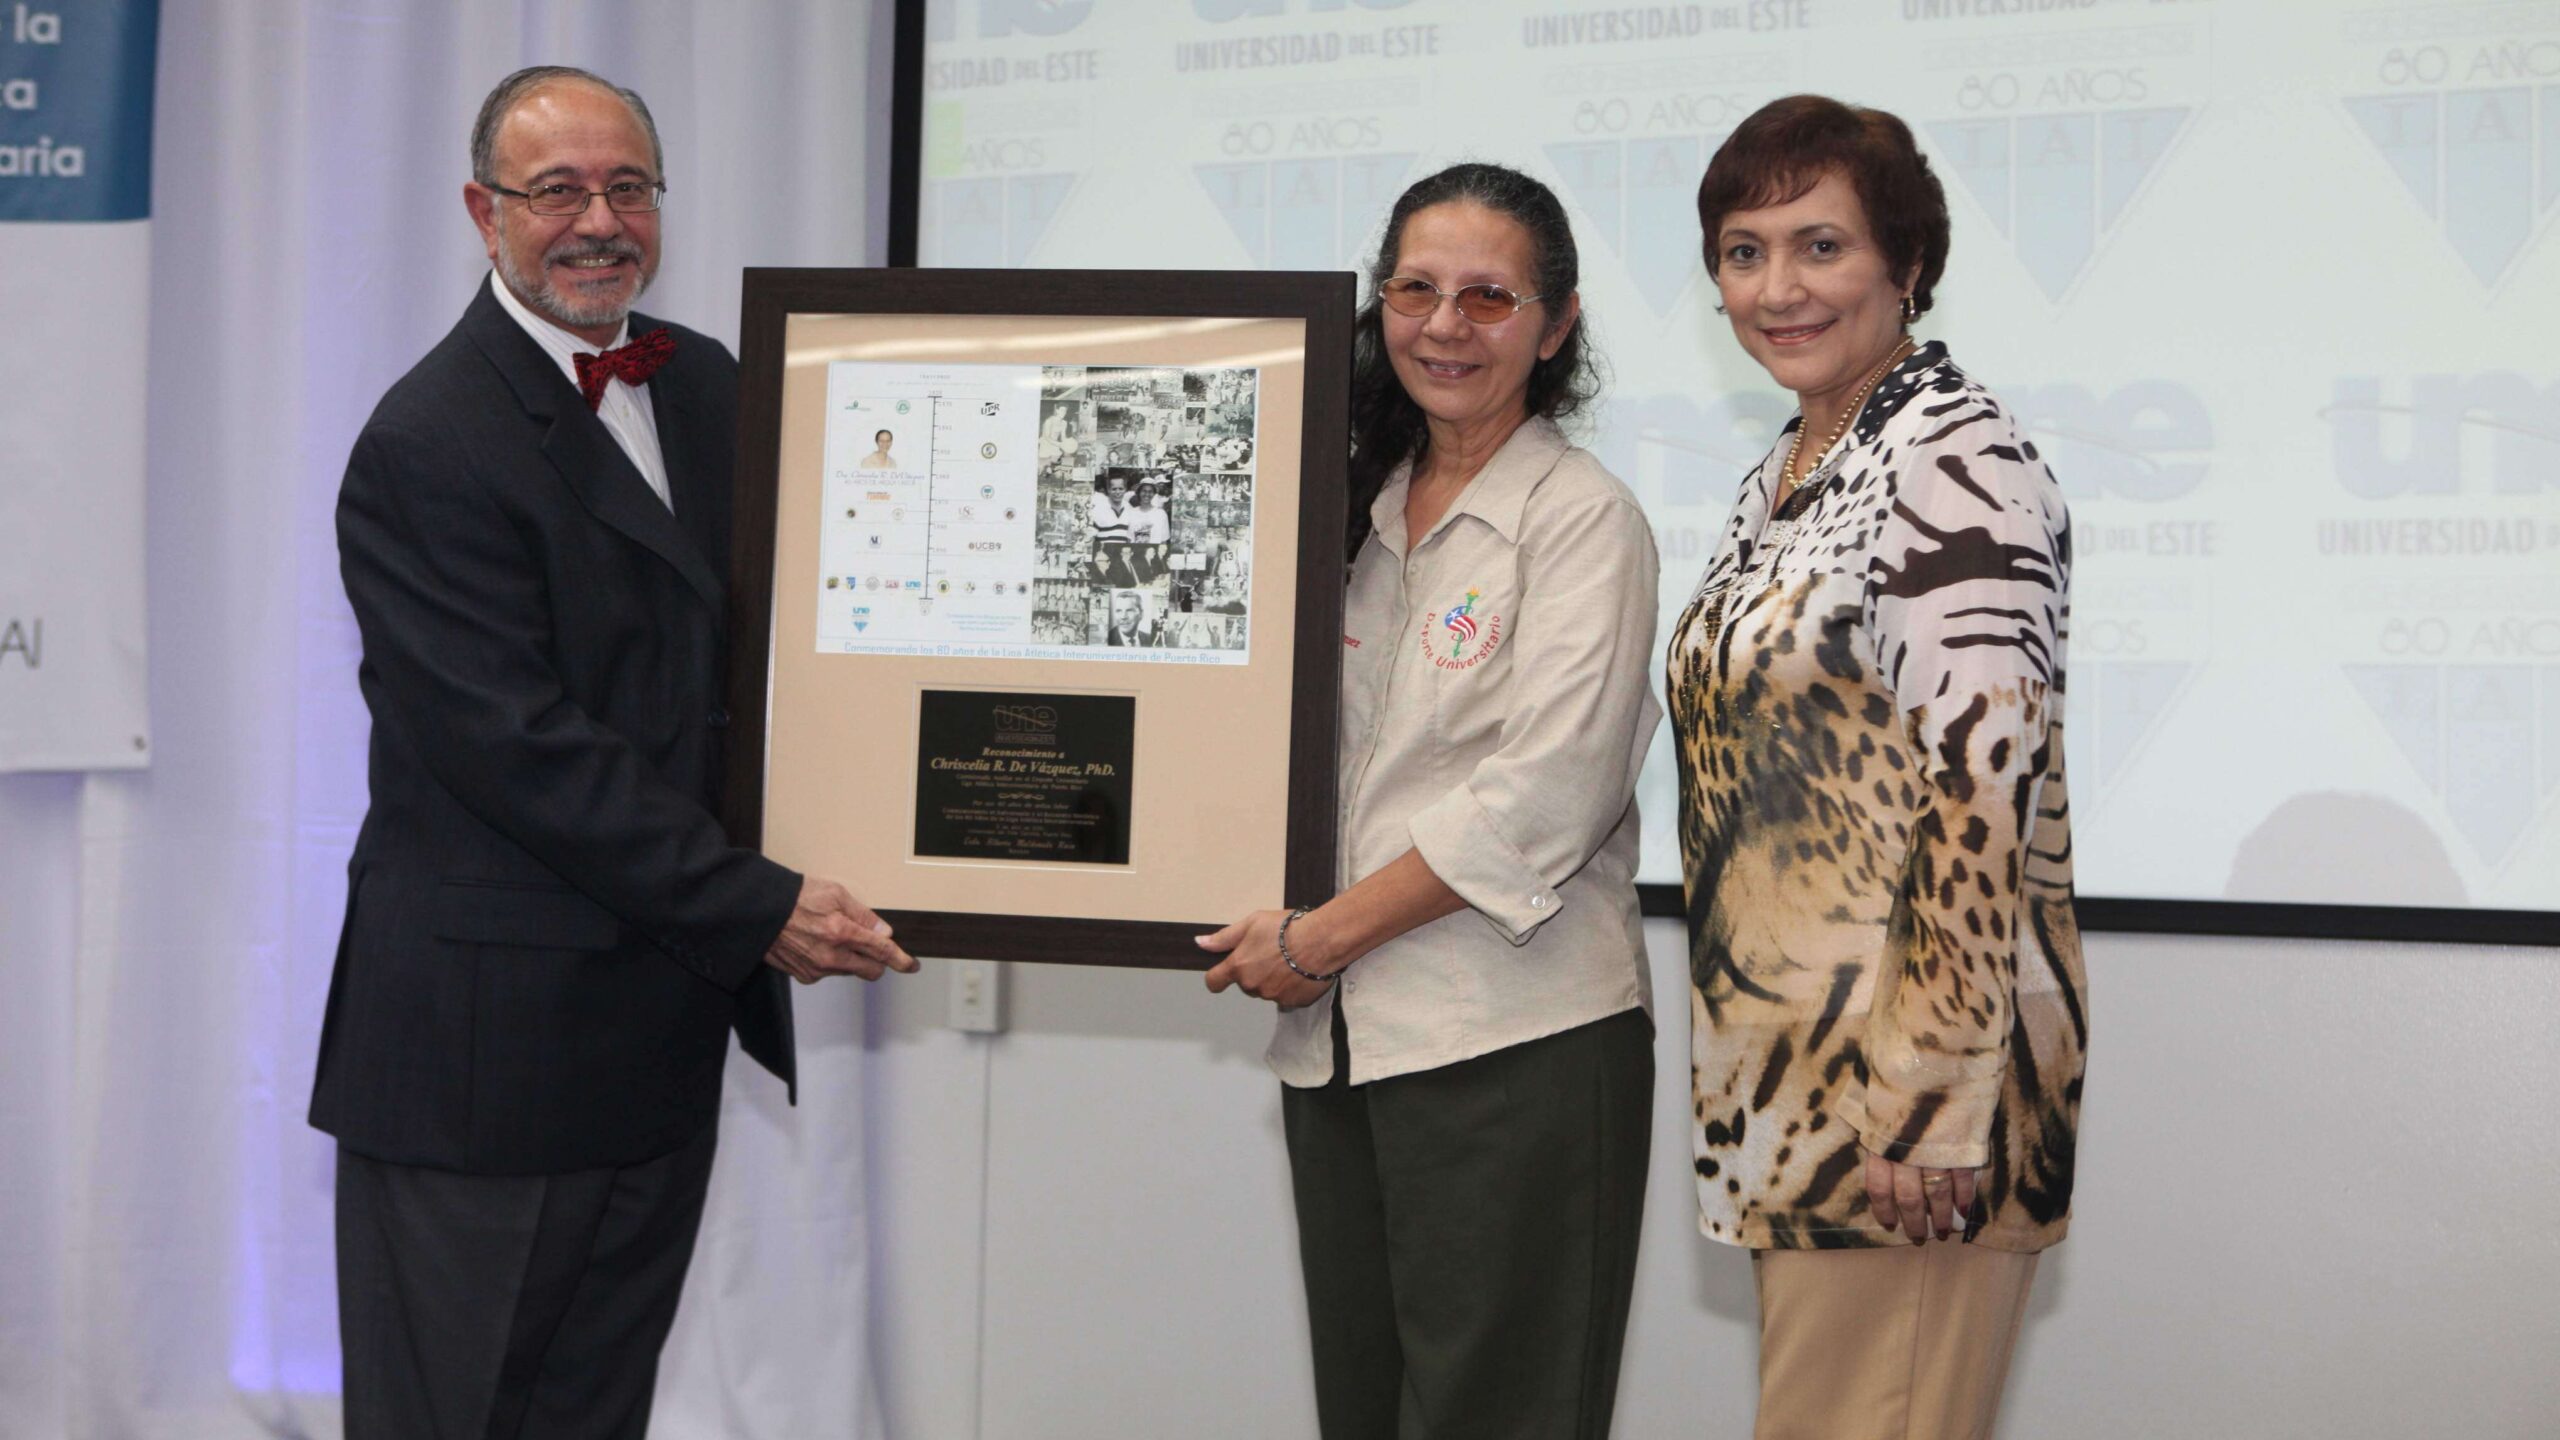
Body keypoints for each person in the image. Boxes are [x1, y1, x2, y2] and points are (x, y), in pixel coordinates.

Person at [309, 66, 916, 1436]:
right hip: (483, 1062)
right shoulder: (426, 443)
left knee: (593, 1413)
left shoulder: (708, 382)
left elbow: (787, 654)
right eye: (557, 190)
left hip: (654, 1037)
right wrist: (761, 903)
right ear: (483, 213)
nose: (599, 220)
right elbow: (522, 752)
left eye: (627, 186)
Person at [1199, 162, 1660, 1440]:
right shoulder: (1342, 508)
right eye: (1414, 288)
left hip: (1512, 1045)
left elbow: (1545, 800)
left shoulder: (1583, 523)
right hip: (1341, 1047)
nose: (1444, 325)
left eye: (1488, 297)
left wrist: (1317, 938)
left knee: (1493, 1418)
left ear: (1555, 327)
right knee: (1366, 1413)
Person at [1668, 94, 2085, 1440]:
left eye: (1820, 246)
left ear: (1906, 265)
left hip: (1900, 1103)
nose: (1776, 287)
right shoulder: (1793, 468)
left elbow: (1982, 783)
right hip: (1794, 1088)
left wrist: (1931, 1099)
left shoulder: (1952, 452)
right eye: (1744, 250)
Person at [1088, 472, 1137, 586]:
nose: (1117, 492)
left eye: (1121, 488)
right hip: (1104, 561)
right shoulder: (1098, 510)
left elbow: (1132, 538)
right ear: (1108, 490)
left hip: (1123, 561)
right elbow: (1090, 539)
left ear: (1125, 489)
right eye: (1114, 489)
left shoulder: (1130, 509)